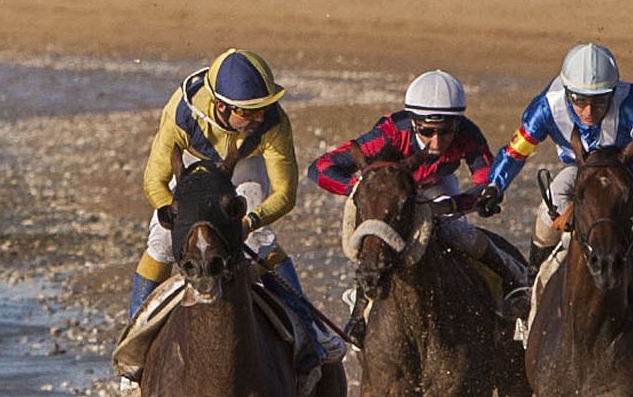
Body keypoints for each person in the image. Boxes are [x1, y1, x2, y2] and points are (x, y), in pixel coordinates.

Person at [478, 42, 633, 326]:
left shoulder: (632, 99)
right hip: (582, 169)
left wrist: (621, 176)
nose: (589, 111)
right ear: (566, 93)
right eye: (579, 101)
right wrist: (495, 186)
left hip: (629, 169)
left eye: (600, 101)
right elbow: (516, 151)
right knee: (547, 210)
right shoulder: (546, 106)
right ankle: (531, 289)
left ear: (613, 93)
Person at [309, 69, 530, 343]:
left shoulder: (468, 132)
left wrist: (458, 203)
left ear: (457, 125)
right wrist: (359, 189)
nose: (436, 142)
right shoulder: (389, 133)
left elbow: (487, 180)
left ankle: (515, 283)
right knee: (372, 241)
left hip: (436, 186)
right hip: (389, 194)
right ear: (414, 124)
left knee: (461, 235)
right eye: (427, 132)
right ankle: (358, 314)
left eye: (446, 132)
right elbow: (320, 168)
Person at [127, 49, 313, 335]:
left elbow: (285, 194)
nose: (259, 118)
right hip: (192, 166)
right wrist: (180, 217)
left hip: (245, 163)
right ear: (220, 106)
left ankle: (309, 333)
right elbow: (154, 182)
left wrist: (250, 222)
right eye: (247, 112)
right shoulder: (180, 114)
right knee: (163, 240)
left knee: (262, 240)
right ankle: (134, 342)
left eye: (263, 108)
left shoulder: (274, 123)